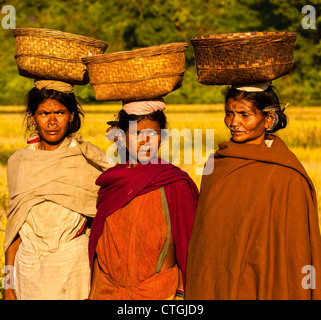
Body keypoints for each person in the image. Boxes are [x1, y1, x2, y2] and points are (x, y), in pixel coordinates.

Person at [185, 82, 321, 300]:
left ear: (268, 119)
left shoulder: (287, 175)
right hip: (222, 278)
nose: (233, 122)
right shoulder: (217, 164)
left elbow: (296, 250)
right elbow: (207, 241)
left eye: (244, 114)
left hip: (266, 281)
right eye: (229, 113)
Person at [3, 80, 112, 300]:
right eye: (44, 114)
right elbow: (14, 232)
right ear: (33, 118)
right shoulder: (19, 162)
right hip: (28, 270)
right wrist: (7, 286)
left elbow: (103, 228)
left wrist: (96, 289)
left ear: (71, 116)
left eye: (60, 113)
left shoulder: (88, 158)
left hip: (75, 267)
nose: (52, 121)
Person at [87, 99, 199, 300]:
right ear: (122, 138)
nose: (145, 141)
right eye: (137, 133)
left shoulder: (175, 183)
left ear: (162, 137)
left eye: (153, 134)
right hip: (107, 292)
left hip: (160, 292)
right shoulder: (112, 184)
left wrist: (182, 294)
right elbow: (99, 247)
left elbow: (190, 246)